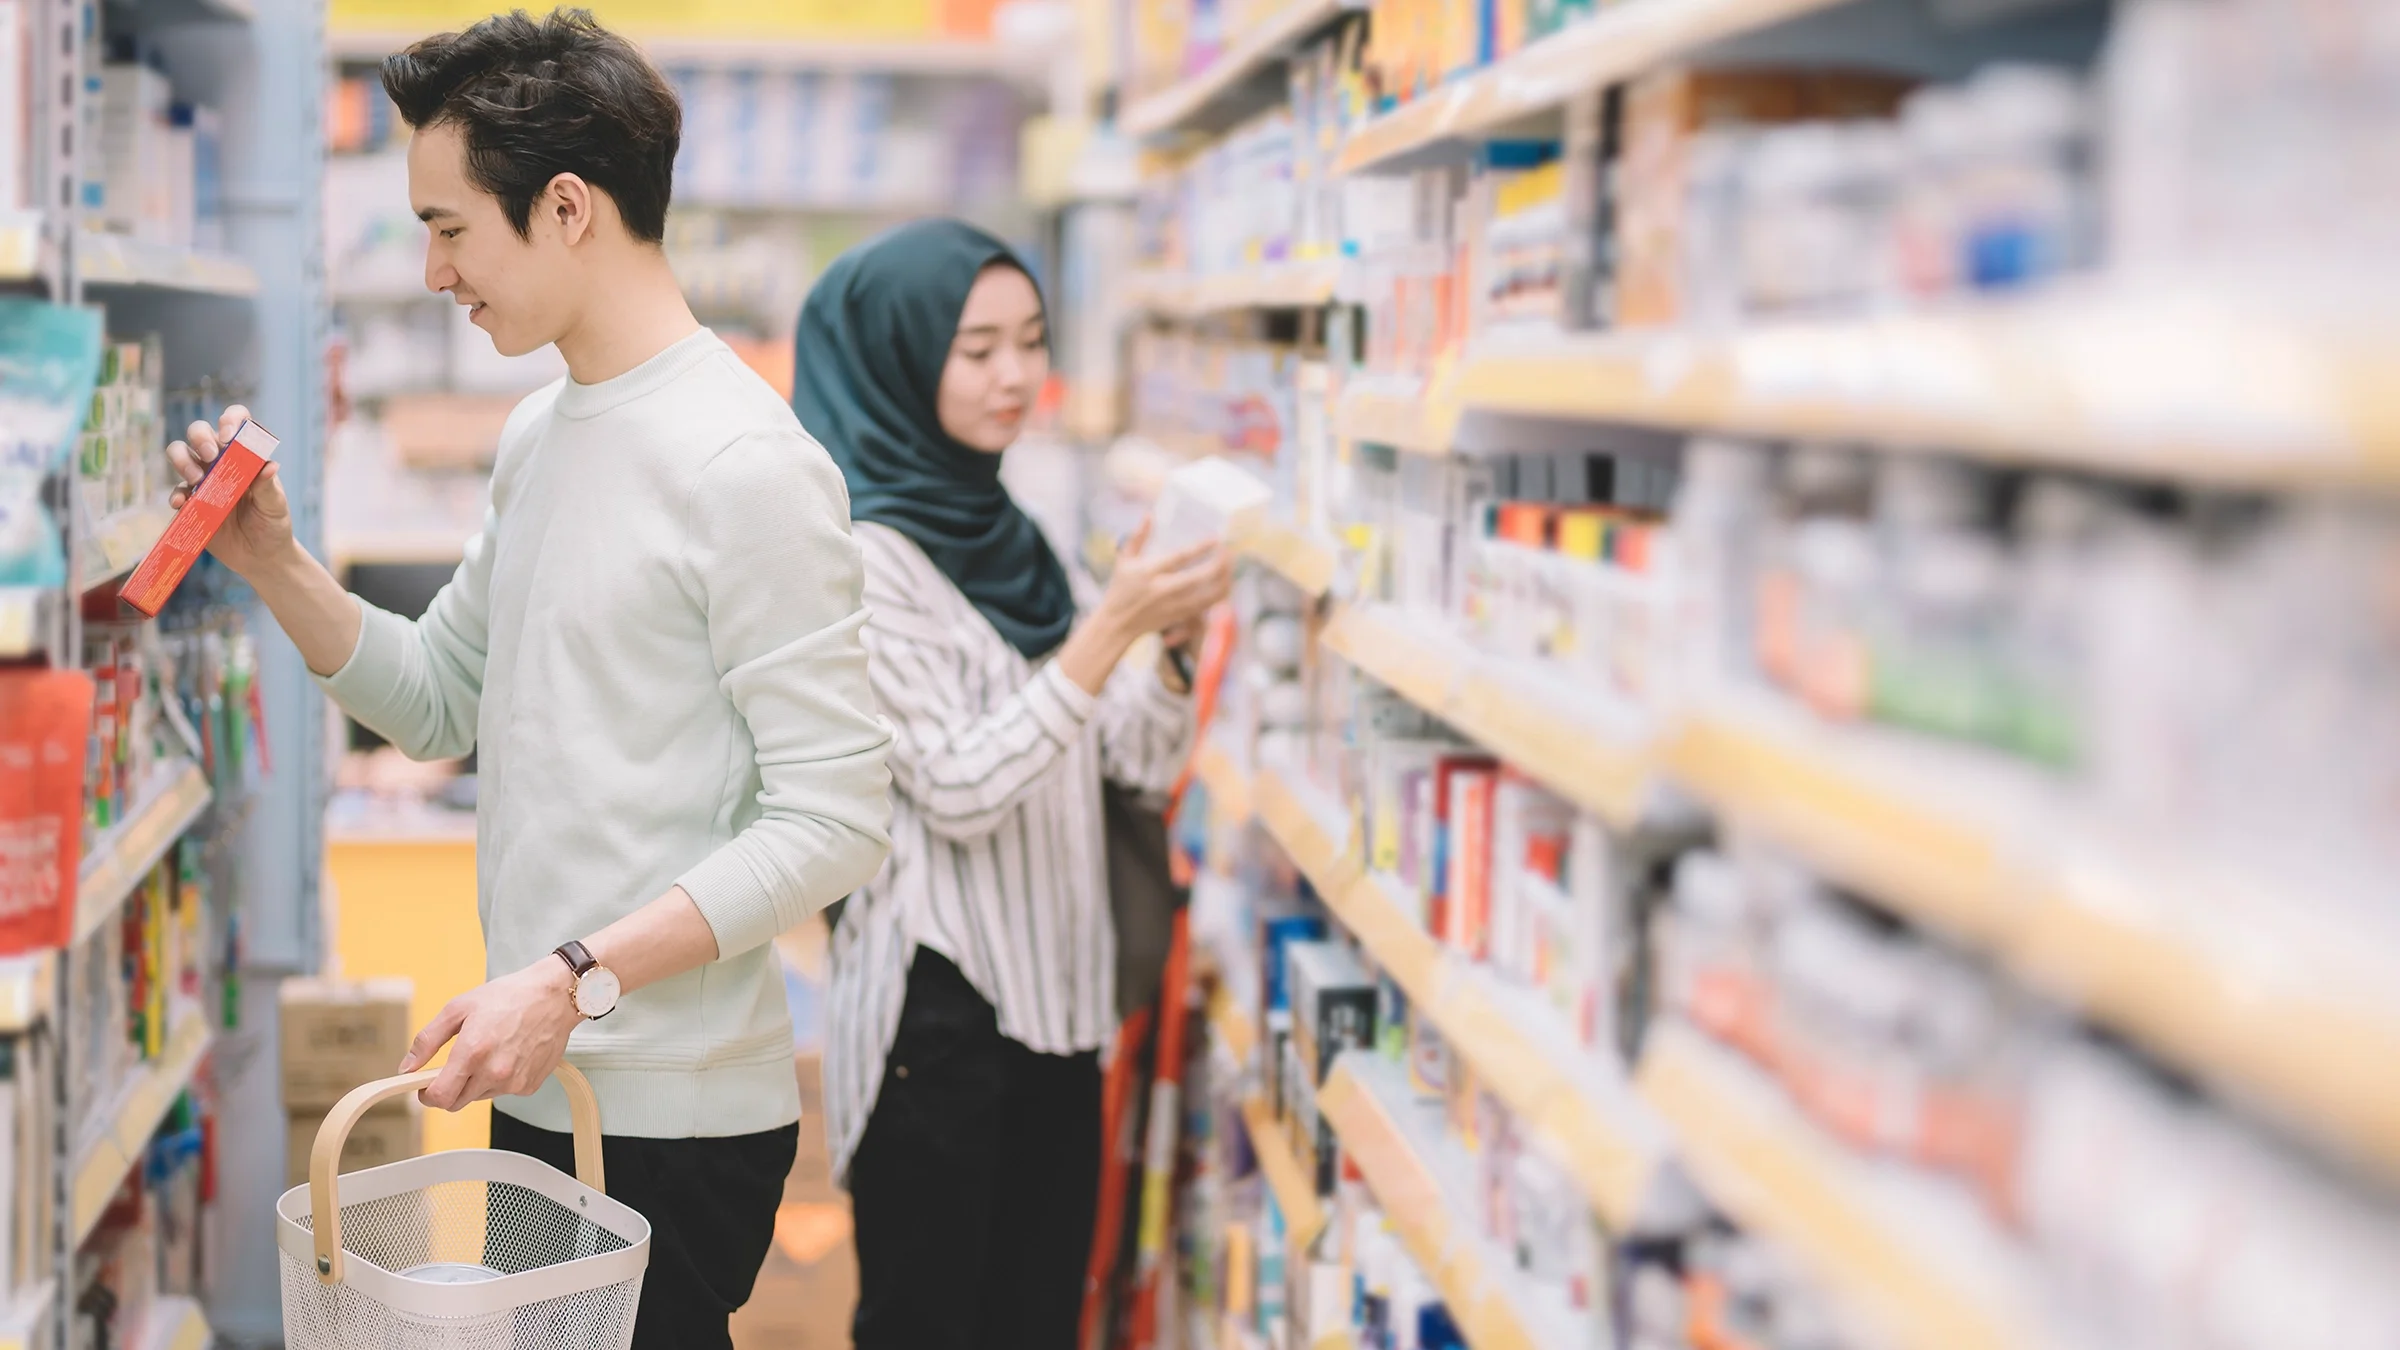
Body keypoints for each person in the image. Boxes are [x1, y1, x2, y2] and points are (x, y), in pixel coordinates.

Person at [164, 11, 891, 1347]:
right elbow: (440, 696)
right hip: (541, 1067)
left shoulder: (748, 465)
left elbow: (837, 815)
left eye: (451, 228)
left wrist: (574, 974)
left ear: (566, 208)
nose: (435, 270)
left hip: (669, 1105)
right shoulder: (543, 430)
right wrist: (273, 561)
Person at [798, 219, 1232, 1350]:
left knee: (1040, 1322)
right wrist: (1111, 635)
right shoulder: (862, 560)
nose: (1015, 375)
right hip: (939, 1017)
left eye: (1031, 341)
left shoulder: (1017, 534)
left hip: (1061, 1000)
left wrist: (1171, 649)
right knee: (929, 1326)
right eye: (976, 347)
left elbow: (1130, 760)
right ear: (898, 357)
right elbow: (958, 785)